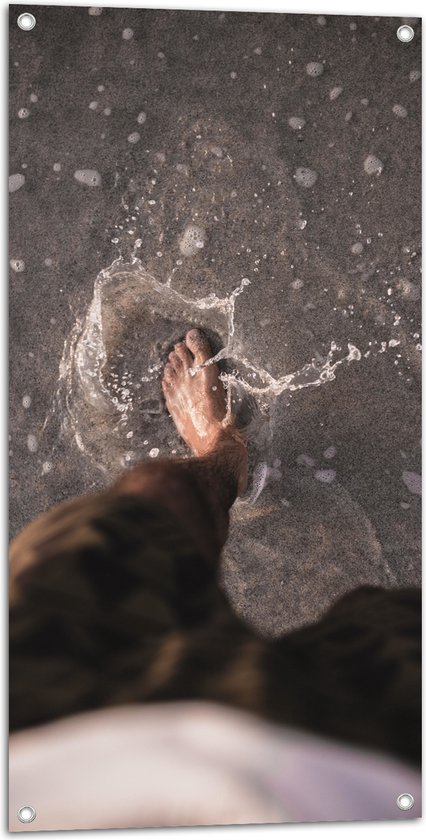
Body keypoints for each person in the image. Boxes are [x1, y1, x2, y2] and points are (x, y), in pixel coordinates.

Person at [9, 330, 420, 768]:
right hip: (320, 768)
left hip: (37, 713)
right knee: (382, 615)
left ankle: (223, 453)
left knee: (159, 493)